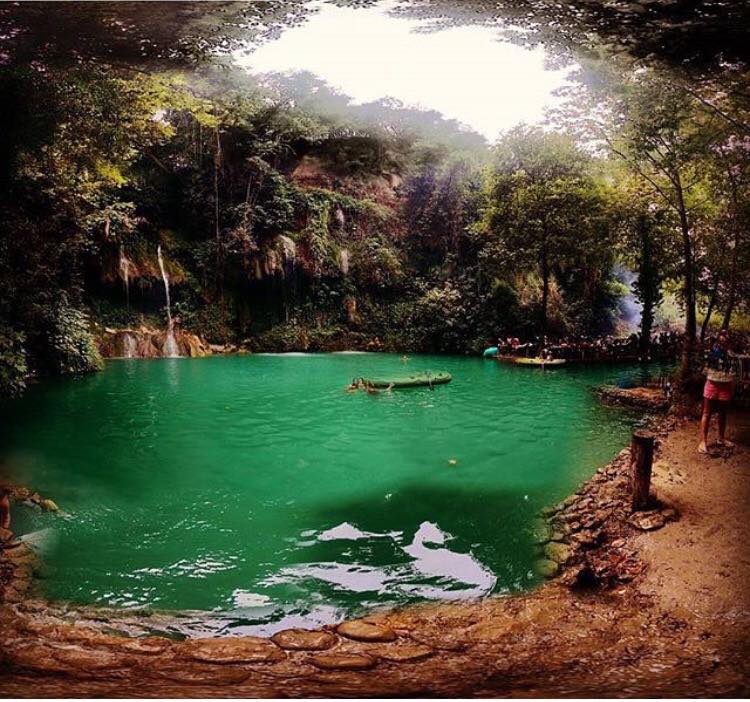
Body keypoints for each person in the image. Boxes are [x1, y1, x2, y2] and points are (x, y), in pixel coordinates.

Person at [699, 330, 735, 454]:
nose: (724, 338)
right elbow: (705, 368)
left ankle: (721, 438)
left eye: (726, 336)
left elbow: (733, 370)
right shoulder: (712, 351)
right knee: (706, 412)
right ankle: (703, 441)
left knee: (723, 413)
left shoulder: (730, 353)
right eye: (722, 335)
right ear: (718, 337)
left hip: (725, 385)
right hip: (712, 384)